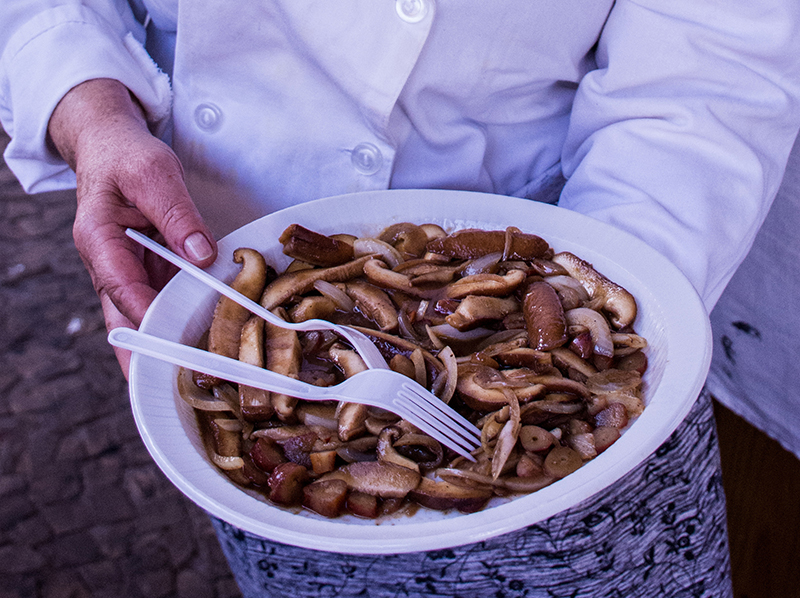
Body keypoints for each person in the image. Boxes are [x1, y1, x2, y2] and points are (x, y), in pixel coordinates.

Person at [2, 1, 800, 596]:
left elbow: (708, 68)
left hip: (574, 253)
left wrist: (578, 296)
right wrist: (87, 102)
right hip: (243, 304)